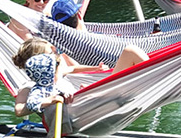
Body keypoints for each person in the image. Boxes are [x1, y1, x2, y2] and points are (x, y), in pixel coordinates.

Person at [12, 36, 148, 117]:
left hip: (95, 101)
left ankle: (158, 82)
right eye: (51, 53)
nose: (56, 55)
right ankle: (158, 84)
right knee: (130, 51)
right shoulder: (29, 86)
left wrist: (96, 68)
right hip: (83, 113)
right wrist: (50, 100)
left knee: (131, 52)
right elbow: (19, 110)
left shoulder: (57, 72)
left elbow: (73, 68)